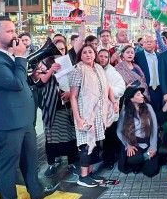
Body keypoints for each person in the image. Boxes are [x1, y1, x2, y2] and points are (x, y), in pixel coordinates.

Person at [0, 16, 59, 199]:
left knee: (30, 161)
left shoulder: (6, 55)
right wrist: (21, 59)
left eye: (15, 31)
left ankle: (36, 191)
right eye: (10, 32)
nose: (15, 36)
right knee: (7, 167)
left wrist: (31, 74)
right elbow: (14, 83)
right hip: (5, 123)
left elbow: (21, 80)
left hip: (23, 120)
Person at [69, 45, 118, 187]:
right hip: (85, 113)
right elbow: (73, 97)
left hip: (98, 113)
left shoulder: (98, 68)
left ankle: (89, 174)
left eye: (90, 52)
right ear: (81, 56)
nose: (88, 55)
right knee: (86, 144)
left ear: (94, 54)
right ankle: (83, 177)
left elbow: (108, 86)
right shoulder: (78, 70)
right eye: (84, 52)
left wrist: (114, 101)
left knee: (95, 144)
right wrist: (78, 118)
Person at [32, 56, 78, 179]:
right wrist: (51, 70)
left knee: (70, 137)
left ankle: (71, 163)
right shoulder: (43, 65)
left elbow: (76, 83)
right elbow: (40, 82)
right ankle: (51, 163)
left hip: (67, 109)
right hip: (51, 110)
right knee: (51, 139)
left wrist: (69, 92)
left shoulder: (68, 65)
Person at [116, 86, 159, 177]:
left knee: (150, 172)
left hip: (149, 142)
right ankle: (145, 158)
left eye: (141, 94)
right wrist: (128, 145)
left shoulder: (148, 107)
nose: (142, 96)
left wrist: (153, 147)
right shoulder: (125, 112)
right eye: (138, 95)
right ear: (132, 99)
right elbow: (119, 131)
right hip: (135, 144)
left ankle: (149, 157)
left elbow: (155, 128)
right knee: (131, 160)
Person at [135, 34, 167, 122]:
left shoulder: (160, 56)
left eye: (151, 41)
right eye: (147, 42)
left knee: (158, 114)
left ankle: (157, 131)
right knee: (145, 114)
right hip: (145, 89)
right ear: (142, 43)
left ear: (155, 43)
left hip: (159, 89)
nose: (149, 43)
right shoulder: (138, 56)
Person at [98, 49, 126, 169]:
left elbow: (121, 88)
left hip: (110, 108)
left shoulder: (112, 72)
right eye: (101, 56)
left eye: (105, 56)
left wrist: (107, 92)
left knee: (109, 135)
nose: (103, 59)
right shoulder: (93, 69)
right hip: (96, 109)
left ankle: (108, 160)